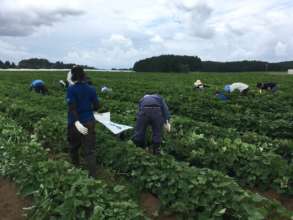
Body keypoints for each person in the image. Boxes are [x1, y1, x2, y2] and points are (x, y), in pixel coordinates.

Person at [66, 66, 99, 178]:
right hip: (89, 121)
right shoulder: (91, 89)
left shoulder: (71, 89)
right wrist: (89, 111)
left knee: (74, 146)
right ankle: (93, 176)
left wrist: (76, 122)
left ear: (73, 75)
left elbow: (72, 107)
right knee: (89, 150)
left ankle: (76, 169)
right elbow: (97, 106)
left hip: (75, 123)